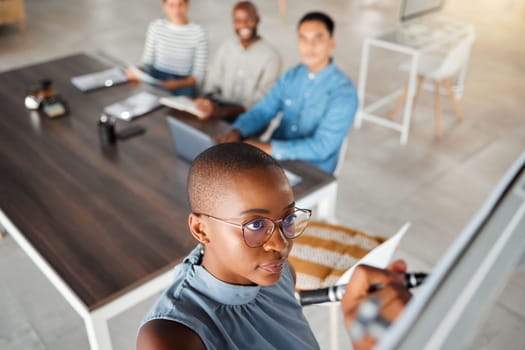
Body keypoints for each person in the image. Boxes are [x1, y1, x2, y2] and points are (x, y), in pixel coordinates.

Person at [136, 143, 411, 350]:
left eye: (288, 219)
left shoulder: (280, 274)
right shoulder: (170, 337)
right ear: (201, 229)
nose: (281, 244)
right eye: (256, 225)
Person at [216, 11, 358, 174]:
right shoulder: (291, 76)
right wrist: (237, 131)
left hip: (312, 171)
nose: (309, 46)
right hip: (273, 159)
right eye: (303, 38)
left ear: (331, 43)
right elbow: (264, 110)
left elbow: (322, 146)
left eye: (317, 38)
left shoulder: (344, 93)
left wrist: (270, 148)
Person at [194, 1, 281, 121]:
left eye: (248, 19)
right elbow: (212, 81)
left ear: (257, 19)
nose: (243, 25)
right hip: (219, 107)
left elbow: (261, 101)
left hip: (248, 115)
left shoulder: (271, 56)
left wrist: (222, 112)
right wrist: (207, 101)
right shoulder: (226, 47)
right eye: (238, 21)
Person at [127, 0, 208, 96]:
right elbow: (147, 62)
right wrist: (137, 72)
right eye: (171, 5)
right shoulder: (156, 27)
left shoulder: (198, 32)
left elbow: (198, 76)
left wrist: (174, 84)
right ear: (164, 6)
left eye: (180, 4)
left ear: (187, 4)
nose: (176, 10)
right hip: (156, 77)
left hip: (183, 82)